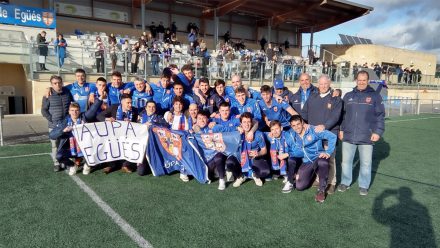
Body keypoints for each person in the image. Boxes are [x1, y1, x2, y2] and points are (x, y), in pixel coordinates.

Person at [338, 70, 385, 196]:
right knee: (346, 162)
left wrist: (378, 132)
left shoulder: (375, 96)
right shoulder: (348, 96)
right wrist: (341, 129)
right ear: (356, 80)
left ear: (368, 81)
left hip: (367, 136)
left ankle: (363, 185)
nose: (362, 82)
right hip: (348, 134)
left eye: (364, 80)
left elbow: (380, 116)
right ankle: (345, 182)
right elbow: (342, 115)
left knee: (365, 163)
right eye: (359, 80)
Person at [302, 74, 343, 194]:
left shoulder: (336, 98)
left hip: (329, 134)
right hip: (314, 136)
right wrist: (304, 124)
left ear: (329, 83)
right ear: (318, 84)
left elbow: (336, 116)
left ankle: (331, 183)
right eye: (321, 84)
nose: (323, 86)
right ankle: (318, 179)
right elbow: (305, 113)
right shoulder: (312, 96)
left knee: (330, 160)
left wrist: (325, 126)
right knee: (316, 158)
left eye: (325, 83)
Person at [284, 115, 336, 203]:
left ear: (302, 123)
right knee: (300, 186)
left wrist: (328, 152)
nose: (297, 127)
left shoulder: (313, 130)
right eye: (294, 125)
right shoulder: (292, 135)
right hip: (307, 162)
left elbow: (332, 136)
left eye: (298, 124)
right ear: (291, 126)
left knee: (323, 162)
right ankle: (312, 176)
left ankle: (321, 190)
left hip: (318, 157)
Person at [49, 99, 102, 176]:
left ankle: (88, 165)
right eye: (72, 110)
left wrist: (100, 98)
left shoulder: (84, 118)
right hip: (71, 148)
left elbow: (93, 110)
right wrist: (63, 131)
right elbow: (52, 135)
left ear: (79, 111)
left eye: (76, 110)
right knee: (59, 156)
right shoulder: (64, 122)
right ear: (69, 111)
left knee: (97, 150)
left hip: (84, 147)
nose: (74, 112)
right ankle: (73, 165)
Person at [96, 94, 139, 174]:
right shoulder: (114, 107)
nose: (130, 105)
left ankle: (126, 165)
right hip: (114, 135)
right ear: (122, 102)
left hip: (128, 135)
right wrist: (107, 119)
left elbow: (137, 124)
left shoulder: (135, 110)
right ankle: (111, 165)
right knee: (109, 143)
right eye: (128, 103)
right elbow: (99, 116)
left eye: (131, 102)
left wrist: (132, 123)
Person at [227, 112, 270, 187]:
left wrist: (258, 153)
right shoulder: (237, 133)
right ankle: (240, 176)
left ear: (252, 122)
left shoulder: (258, 134)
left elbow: (264, 150)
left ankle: (254, 174)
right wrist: (236, 128)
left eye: (248, 122)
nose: (246, 124)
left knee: (265, 171)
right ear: (241, 123)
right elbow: (224, 129)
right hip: (240, 158)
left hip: (253, 158)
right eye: (244, 122)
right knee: (229, 162)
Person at [41, 75, 73, 172]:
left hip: (66, 124)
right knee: (55, 145)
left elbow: (72, 104)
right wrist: (52, 120)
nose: (58, 85)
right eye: (55, 83)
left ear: (62, 83)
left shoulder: (67, 92)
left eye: (59, 82)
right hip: (54, 126)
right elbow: (44, 111)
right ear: (52, 84)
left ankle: (64, 161)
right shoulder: (48, 95)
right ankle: (56, 163)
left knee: (65, 144)